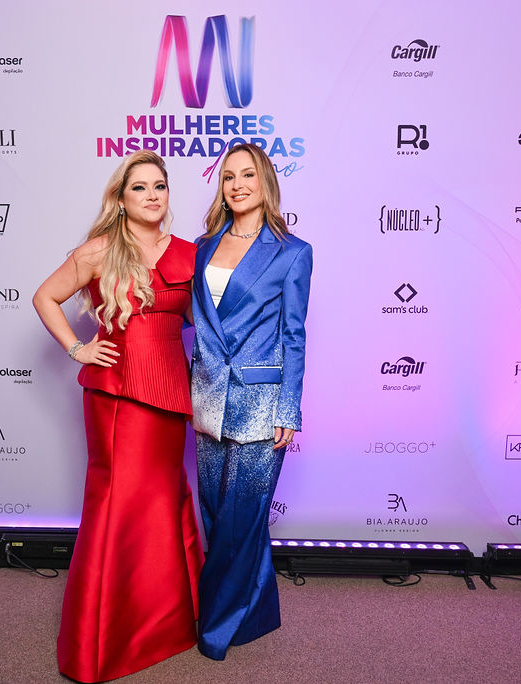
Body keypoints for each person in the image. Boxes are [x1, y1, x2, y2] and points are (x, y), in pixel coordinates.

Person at [32, 150, 203, 682]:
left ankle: (169, 625)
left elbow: (206, 321)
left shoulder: (189, 254)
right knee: (118, 506)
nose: (152, 195)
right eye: (140, 187)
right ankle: (104, 642)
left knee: (163, 500)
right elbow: (45, 297)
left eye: (160, 186)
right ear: (121, 199)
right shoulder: (100, 250)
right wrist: (77, 349)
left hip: (170, 392)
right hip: (117, 397)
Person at [189, 143, 312, 660]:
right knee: (217, 513)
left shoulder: (292, 252)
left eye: (247, 175)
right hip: (208, 397)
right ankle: (256, 613)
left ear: (265, 183)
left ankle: (213, 627)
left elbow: (294, 335)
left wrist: (289, 407)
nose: (237, 185)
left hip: (260, 402)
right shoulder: (203, 246)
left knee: (241, 519)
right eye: (228, 177)